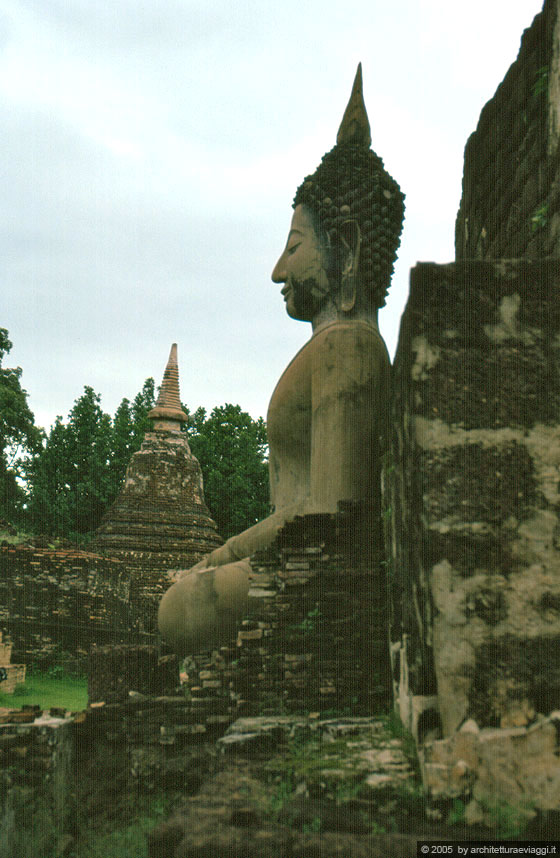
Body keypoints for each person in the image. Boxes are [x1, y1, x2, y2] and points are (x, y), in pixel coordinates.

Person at [158, 64, 405, 655]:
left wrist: (217, 556)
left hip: (325, 575)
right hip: (296, 561)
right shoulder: (328, 349)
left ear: (344, 246)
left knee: (180, 606)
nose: (279, 270)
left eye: (295, 247)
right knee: (184, 593)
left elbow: (332, 514)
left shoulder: (349, 349)